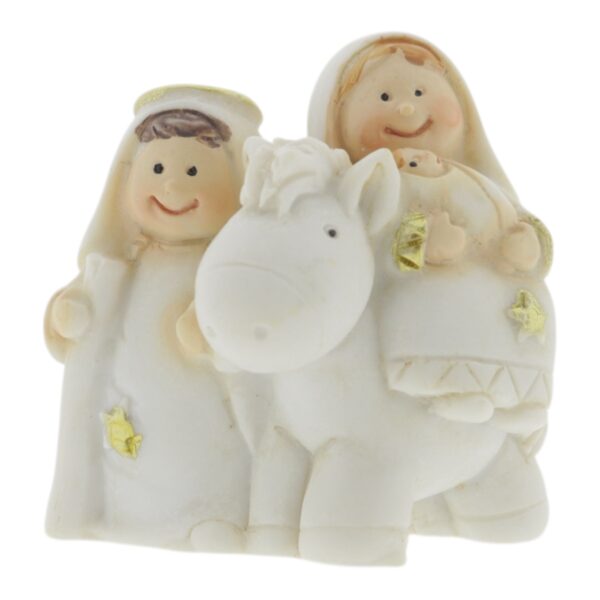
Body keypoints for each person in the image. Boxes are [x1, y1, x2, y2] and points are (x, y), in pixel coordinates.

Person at [308, 34, 555, 541]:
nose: (406, 107)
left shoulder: (480, 180)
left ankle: (512, 414)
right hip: (416, 340)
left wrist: (530, 246)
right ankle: (452, 402)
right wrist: (421, 245)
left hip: (507, 330)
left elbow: (523, 224)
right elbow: (368, 250)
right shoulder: (372, 186)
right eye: (384, 97)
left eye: (421, 93)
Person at [44, 85, 262, 551]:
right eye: (158, 169)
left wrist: (218, 335)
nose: (172, 188)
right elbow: (79, 318)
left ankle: (217, 515)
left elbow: (263, 343)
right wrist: (66, 315)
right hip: (127, 421)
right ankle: (125, 515)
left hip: (205, 424)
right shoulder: (121, 265)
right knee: (134, 459)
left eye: (193, 171)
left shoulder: (231, 269)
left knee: (200, 454)